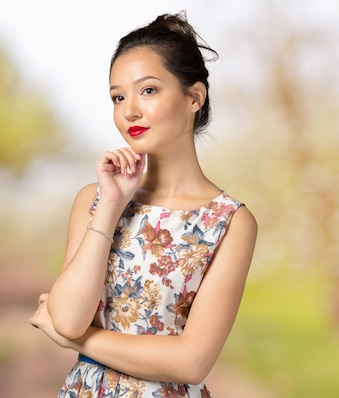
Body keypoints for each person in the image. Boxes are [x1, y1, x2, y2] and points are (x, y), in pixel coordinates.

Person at [29, 11, 258, 397]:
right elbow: (67, 317)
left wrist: (80, 343)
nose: (129, 110)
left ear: (194, 97)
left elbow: (192, 362)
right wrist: (112, 204)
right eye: (118, 97)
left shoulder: (230, 222)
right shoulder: (95, 199)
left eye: (148, 90)